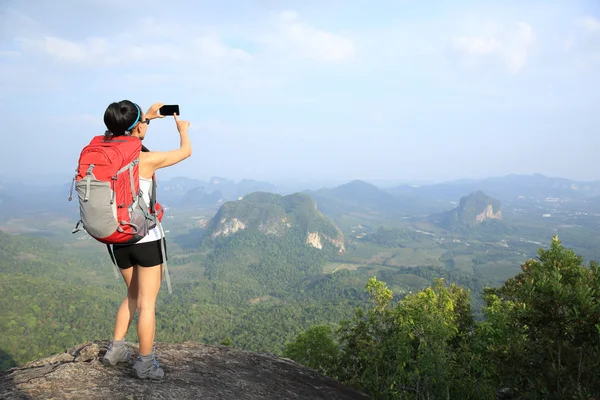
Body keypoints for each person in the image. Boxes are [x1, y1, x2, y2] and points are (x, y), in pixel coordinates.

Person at [100, 100, 191, 380]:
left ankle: (116, 350)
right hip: (146, 239)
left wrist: (146, 119)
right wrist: (182, 129)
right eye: (142, 124)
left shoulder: (105, 151)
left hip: (117, 238)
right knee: (147, 304)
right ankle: (146, 364)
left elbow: (120, 132)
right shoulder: (145, 159)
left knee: (131, 294)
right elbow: (185, 152)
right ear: (137, 127)